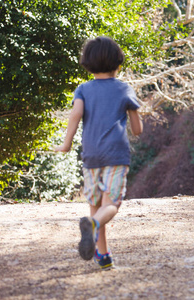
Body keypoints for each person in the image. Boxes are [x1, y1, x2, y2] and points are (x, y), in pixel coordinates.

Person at [55, 36, 143, 270]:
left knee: (96, 205)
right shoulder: (124, 88)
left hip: (91, 155)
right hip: (115, 154)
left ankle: (103, 255)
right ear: (118, 64)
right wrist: (133, 117)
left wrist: (65, 145)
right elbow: (137, 129)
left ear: (87, 63)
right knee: (110, 205)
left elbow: (75, 115)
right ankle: (93, 226)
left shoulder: (83, 89)